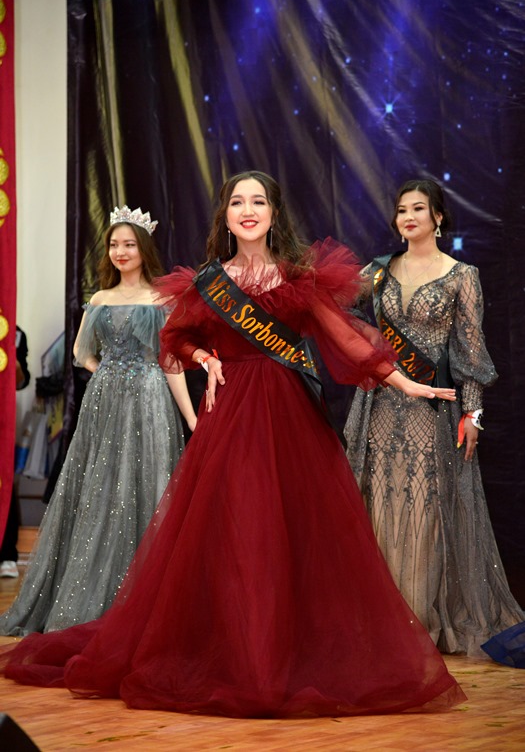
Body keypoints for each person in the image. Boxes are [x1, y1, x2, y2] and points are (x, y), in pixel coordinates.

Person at [0, 172, 465, 717]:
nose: (248, 210)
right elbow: (176, 339)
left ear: (274, 213)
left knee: (291, 532)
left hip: (290, 420)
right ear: (225, 215)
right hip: (232, 416)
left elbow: (347, 338)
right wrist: (205, 357)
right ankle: (238, 651)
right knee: (239, 526)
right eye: (238, 202)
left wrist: (407, 383)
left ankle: (282, 651)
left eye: (258, 201)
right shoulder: (209, 282)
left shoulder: (297, 278)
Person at [344, 179, 524, 657]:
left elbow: (470, 351)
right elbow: (334, 315)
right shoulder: (376, 272)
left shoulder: (461, 275)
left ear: (438, 217)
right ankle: (380, 619)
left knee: (424, 509)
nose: (408, 217)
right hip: (380, 407)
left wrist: (473, 413)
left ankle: (418, 619)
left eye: (418, 209)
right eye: (402, 209)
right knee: (380, 505)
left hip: (434, 410)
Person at [0, 206, 196, 635]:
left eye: (129, 245)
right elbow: (79, 353)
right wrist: (107, 369)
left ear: (144, 249)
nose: (120, 252)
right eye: (113, 245)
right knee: (102, 486)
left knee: (146, 485)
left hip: (149, 401)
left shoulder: (163, 299)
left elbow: (172, 362)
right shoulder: (100, 299)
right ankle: (90, 596)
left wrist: (193, 420)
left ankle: (142, 599)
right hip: (105, 404)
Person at [0, 327, 31, 579]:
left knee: (4, 479)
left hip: (3, 417)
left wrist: (14, 363)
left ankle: (7, 553)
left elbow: (22, 381)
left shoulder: (15, 333)